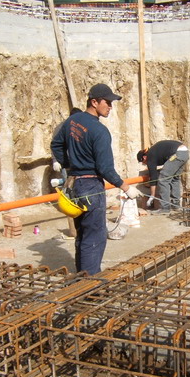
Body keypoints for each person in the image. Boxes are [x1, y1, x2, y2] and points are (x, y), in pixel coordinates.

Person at [51, 84, 140, 275]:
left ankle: (81, 277)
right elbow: (105, 169)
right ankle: (90, 285)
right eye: (107, 102)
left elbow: (56, 144)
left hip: (75, 185)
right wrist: (126, 187)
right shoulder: (100, 131)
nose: (110, 106)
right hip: (91, 186)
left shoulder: (72, 121)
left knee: (82, 234)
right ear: (94, 102)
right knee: (95, 236)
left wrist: (69, 166)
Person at [137, 140, 190, 213]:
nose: (144, 164)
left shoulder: (150, 157)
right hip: (184, 153)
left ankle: (165, 208)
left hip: (176, 154)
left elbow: (153, 177)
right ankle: (176, 205)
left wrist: (152, 196)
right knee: (175, 179)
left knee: (163, 179)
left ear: (144, 157)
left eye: (143, 162)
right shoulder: (154, 152)